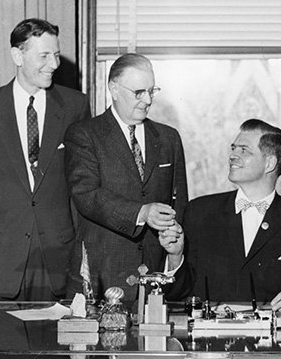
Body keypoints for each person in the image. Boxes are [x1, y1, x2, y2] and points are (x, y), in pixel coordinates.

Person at [0, 18, 90, 301]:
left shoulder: (74, 106)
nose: (54, 64)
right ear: (17, 55)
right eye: (44, 55)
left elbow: (81, 187)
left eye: (56, 54)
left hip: (56, 261)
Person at [162, 119, 281, 310]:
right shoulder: (199, 212)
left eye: (244, 150)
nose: (232, 156)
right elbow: (177, 293)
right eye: (233, 148)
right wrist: (176, 257)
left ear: (270, 163)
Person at [64, 53, 188, 303]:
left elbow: (179, 202)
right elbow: (86, 195)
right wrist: (141, 213)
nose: (148, 100)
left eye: (152, 91)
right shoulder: (84, 135)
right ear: (114, 89)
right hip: (99, 280)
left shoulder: (168, 138)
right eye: (139, 92)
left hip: (154, 281)